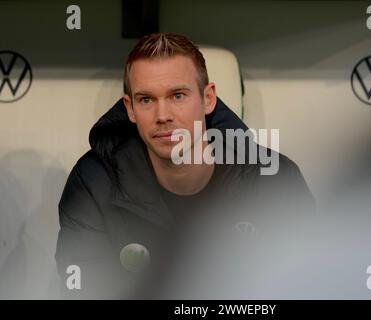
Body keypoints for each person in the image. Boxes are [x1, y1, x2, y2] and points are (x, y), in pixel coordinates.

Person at [55, 33, 314, 299]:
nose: (163, 116)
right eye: (146, 100)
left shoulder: (275, 179)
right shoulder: (93, 183)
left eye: (177, 96)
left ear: (208, 98)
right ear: (130, 109)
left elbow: (312, 286)